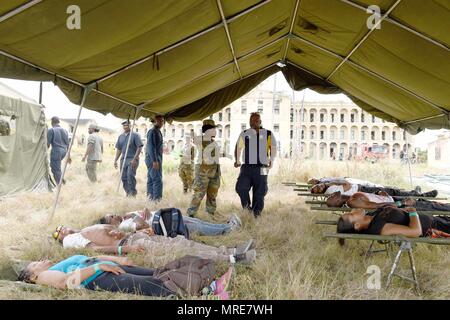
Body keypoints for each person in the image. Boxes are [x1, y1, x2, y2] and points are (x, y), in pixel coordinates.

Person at [18, 254, 231, 298]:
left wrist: (116, 260)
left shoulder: (57, 264)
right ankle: (210, 290)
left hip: (104, 267)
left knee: (160, 271)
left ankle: (206, 279)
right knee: (155, 283)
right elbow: (66, 283)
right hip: (98, 278)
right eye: (34, 264)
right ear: (31, 276)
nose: (39, 261)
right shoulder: (42, 277)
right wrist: (99, 267)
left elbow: (89, 256)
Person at [52, 224, 256, 264]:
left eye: (60, 227)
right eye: (57, 232)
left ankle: (229, 250)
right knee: (180, 249)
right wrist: (126, 248)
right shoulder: (70, 241)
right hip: (130, 244)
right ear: (60, 238)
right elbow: (95, 250)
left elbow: (109, 232)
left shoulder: (81, 229)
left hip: (133, 236)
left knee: (180, 241)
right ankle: (232, 259)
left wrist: (136, 231)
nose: (61, 230)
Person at [234, 113, 277, 217]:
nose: (253, 122)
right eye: (251, 120)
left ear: (260, 121)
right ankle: (247, 210)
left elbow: (273, 148)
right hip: (247, 167)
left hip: (262, 167)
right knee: (241, 188)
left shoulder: (268, 134)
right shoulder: (244, 133)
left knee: (260, 192)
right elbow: (238, 148)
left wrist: (271, 161)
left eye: (256, 120)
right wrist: (237, 160)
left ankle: (256, 215)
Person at [99, 208, 242, 236]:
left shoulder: (126, 216)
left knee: (196, 221)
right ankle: (228, 230)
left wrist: (143, 210)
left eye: (112, 214)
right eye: (111, 216)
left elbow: (144, 215)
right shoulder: (124, 225)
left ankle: (226, 225)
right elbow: (142, 226)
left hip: (165, 216)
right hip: (163, 224)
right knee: (196, 226)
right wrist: (140, 216)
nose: (114, 215)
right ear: (111, 223)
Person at [337, 206, 450, 237]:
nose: (353, 210)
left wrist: (400, 206)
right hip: (437, 228)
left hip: (435, 220)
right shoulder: (381, 228)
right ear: (357, 225)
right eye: (352, 214)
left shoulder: (371, 217)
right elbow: (416, 231)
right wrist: (412, 212)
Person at [187, 119, 221, 217]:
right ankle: (191, 215)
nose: (215, 131)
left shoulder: (213, 142)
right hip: (203, 173)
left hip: (214, 173)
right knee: (198, 194)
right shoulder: (200, 139)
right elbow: (193, 138)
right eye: (214, 129)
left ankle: (211, 215)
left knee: (212, 195)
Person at [114, 120, 143, 197]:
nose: (125, 126)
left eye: (127, 125)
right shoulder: (120, 136)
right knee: (123, 178)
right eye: (124, 125)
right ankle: (128, 193)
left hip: (132, 159)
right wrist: (115, 160)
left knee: (130, 176)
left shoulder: (135, 135)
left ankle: (133, 194)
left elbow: (139, 147)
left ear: (130, 126)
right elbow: (119, 149)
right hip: (123, 160)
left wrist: (134, 159)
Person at [311, 181, 438, 198]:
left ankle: (415, 193)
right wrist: (332, 182)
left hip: (361, 190)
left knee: (391, 191)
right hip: (362, 191)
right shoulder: (330, 189)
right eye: (318, 188)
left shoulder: (329, 189)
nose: (319, 186)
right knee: (391, 192)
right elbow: (347, 185)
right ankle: (418, 195)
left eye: (317, 185)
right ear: (321, 191)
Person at [146, 115, 164, 201]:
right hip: (153, 159)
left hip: (156, 158)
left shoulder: (157, 131)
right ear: (154, 121)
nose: (161, 123)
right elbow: (150, 147)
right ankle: (157, 200)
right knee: (157, 180)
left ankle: (150, 198)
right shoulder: (153, 132)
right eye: (159, 121)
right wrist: (154, 160)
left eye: (162, 121)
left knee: (151, 178)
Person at [47, 116, 69, 184]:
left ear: (52, 122)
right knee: (57, 167)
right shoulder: (65, 131)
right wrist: (69, 155)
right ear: (58, 122)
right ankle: (62, 181)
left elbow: (48, 144)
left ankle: (60, 185)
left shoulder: (51, 130)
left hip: (57, 150)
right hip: (64, 151)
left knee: (55, 169)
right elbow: (68, 144)